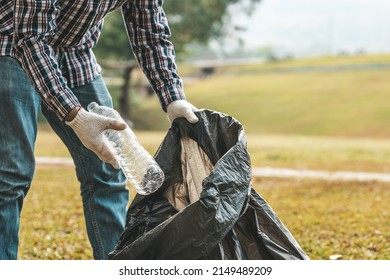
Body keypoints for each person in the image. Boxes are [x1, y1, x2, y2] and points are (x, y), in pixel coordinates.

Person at [0, 0, 199, 260]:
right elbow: (30, 39)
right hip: (14, 44)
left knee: (110, 167)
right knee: (11, 174)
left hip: (76, 52)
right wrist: (76, 116)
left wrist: (173, 98)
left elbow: (150, 30)